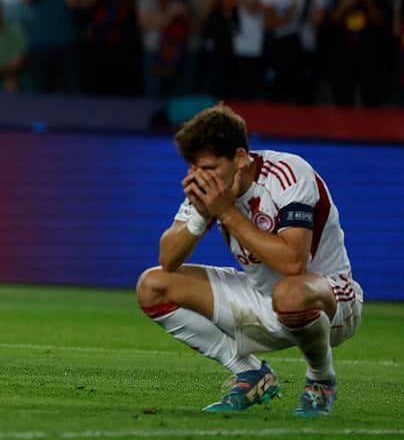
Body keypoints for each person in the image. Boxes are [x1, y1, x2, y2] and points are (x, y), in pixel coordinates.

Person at [135, 103, 362, 417]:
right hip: (263, 296)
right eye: (193, 167)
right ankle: (250, 374)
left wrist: (226, 212)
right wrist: (201, 215)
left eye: (209, 167)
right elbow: (168, 258)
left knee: (290, 293)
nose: (200, 177)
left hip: (329, 301)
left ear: (240, 158)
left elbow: (293, 263)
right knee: (152, 285)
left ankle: (321, 379)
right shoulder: (211, 186)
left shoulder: (288, 174)